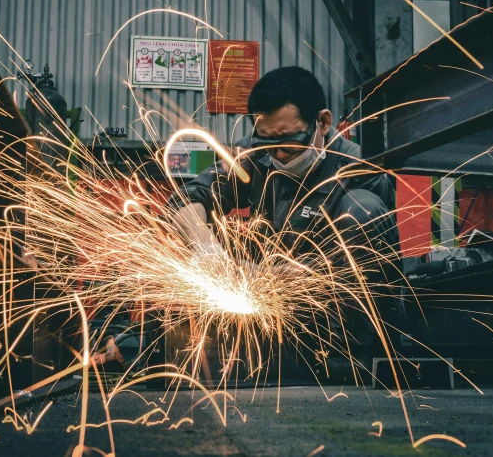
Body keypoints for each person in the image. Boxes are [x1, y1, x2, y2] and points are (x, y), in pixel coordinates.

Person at [169, 67, 400, 369]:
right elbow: (185, 199)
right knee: (207, 230)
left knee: (363, 208)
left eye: (289, 144)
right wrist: (207, 249)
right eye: (268, 142)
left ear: (323, 123)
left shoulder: (358, 167)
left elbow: (355, 262)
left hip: (337, 313)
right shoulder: (256, 156)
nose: (277, 154)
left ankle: (355, 355)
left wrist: (282, 275)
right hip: (277, 308)